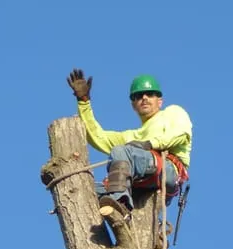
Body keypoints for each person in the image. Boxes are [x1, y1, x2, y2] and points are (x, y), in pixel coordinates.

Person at [66, 69, 192, 217]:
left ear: (160, 101)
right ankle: (108, 221)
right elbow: (98, 137)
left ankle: (120, 202)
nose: (144, 98)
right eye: (138, 96)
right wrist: (84, 102)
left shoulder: (172, 112)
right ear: (133, 105)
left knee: (121, 152)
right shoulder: (132, 136)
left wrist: (150, 144)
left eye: (149, 94)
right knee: (87, 190)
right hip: (143, 180)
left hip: (168, 169)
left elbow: (180, 134)